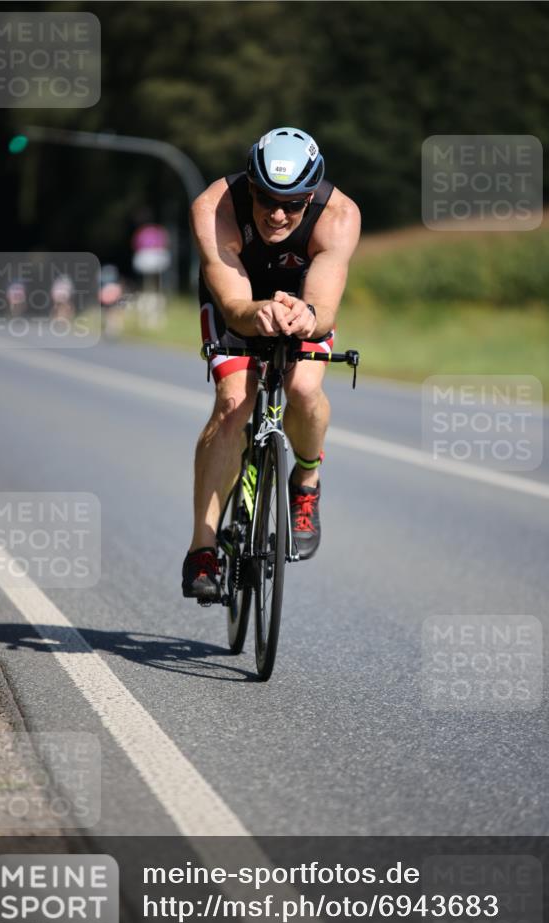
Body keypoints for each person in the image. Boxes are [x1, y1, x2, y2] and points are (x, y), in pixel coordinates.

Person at [183, 126, 361, 600]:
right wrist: (257, 312)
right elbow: (233, 302)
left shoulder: (339, 215)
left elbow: (324, 308)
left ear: (312, 197)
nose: (279, 215)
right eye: (266, 199)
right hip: (235, 300)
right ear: (250, 185)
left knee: (303, 388)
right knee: (233, 402)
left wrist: (304, 315)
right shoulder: (213, 208)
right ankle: (203, 548)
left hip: (303, 302)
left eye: (294, 204)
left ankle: (305, 479)